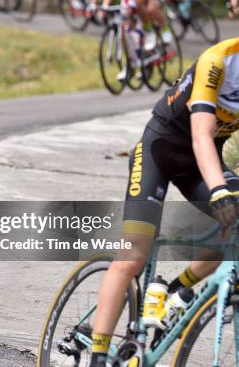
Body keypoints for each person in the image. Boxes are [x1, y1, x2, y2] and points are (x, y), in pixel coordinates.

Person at [88, 37, 239, 367]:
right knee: (133, 255)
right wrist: (218, 191)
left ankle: (177, 292)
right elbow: (201, 135)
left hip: (202, 162)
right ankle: (98, 356)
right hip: (159, 150)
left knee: (236, 227)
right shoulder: (218, 61)